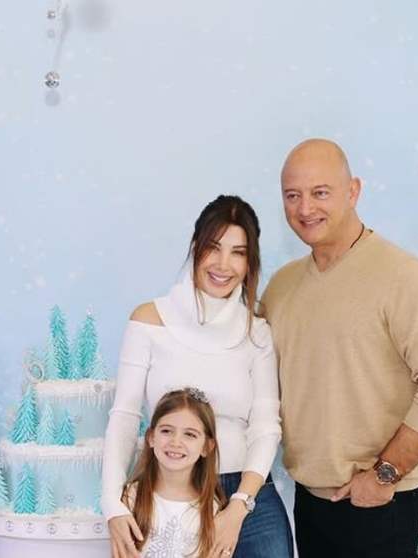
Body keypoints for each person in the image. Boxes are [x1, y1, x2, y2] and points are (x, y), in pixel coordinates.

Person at [260, 138, 418, 558]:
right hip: (310, 501)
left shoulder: (403, 277)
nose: (305, 208)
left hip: (379, 504)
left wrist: (384, 475)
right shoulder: (282, 287)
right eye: (292, 195)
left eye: (321, 192)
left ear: (353, 191)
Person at [102, 195, 294, 558]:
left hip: (245, 491)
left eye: (238, 253)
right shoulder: (148, 321)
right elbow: (124, 416)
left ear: (250, 262)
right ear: (195, 247)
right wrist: (112, 504)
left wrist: (239, 505)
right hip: (168, 492)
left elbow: (266, 425)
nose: (223, 264)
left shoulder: (257, 332)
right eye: (214, 248)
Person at [121, 388, 226, 558]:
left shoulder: (212, 508)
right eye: (166, 431)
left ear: (207, 447)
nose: (176, 442)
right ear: (151, 437)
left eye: (189, 434)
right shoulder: (132, 496)